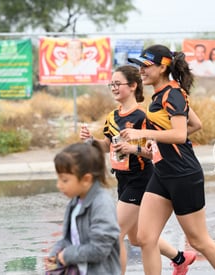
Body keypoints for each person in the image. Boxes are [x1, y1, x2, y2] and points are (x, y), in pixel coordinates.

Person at [80, 64, 202, 275]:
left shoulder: (144, 117)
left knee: (115, 233)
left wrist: (133, 148)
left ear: (133, 86)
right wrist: (92, 141)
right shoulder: (112, 117)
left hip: (143, 179)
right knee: (137, 238)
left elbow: (154, 149)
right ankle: (180, 258)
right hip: (123, 180)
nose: (114, 88)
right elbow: (108, 145)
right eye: (111, 84)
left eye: (118, 84)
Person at [126, 44, 215, 275]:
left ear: (163, 67)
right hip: (162, 174)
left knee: (199, 241)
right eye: (139, 66)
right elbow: (195, 124)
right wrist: (158, 141)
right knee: (145, 238)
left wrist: (144, 134)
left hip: (183, 175)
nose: (141, 71)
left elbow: (180, 134)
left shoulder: (172, 94)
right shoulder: (163, 93)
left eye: (146, 66)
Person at [45, 141, 121, 274]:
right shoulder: (75, 201)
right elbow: (69, 239)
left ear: (86, 179)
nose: (59, 185)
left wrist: (67, 255)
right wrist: (55, 252)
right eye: (58, 179)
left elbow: (99, 249)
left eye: (65, 180)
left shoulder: (102, 203)